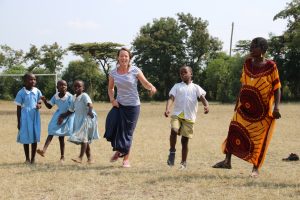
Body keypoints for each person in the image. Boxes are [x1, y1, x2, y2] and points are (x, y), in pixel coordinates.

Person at [212, 37, 281, 178]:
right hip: (244, 108)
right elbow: (243, 84)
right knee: (234, 128)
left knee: (259, 139)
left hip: (261, 112)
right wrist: (238, 102)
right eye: (251, 45)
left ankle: (255, 168)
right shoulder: (247, 63)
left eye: (254, 46)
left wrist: (276, 108)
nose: (251, 48)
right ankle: (227, 161)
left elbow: (277, 87)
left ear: (262, 49)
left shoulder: (271, 66)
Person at [104, 47, 157, 168]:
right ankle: (119, 150)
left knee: (128, 133)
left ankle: (125, 159)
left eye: (126, 56)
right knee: (112, 126)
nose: (123, 58)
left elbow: (145, 83)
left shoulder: (135, 70)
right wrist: (112, 100)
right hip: (119, 105)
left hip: (133, 106)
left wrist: (151, 87)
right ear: (118, 57)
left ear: (129, 58)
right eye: (121, 56)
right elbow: (110, 88)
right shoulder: (113, 72)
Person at [165, 65, 209, 169]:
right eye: (181, 73)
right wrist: (168, 108)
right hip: (177, 114)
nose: (183, 74)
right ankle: (172, 151)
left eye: (185, 72)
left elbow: (202, 98)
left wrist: (206, 106)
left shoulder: (196, 87)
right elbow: (171, 98)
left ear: (191, 74)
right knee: (174, 130)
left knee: (184, 141)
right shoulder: (177, 86)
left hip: (189, 117)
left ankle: (183, 163)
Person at [59, 80, 99, 164]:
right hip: (79, 120)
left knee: (83, 138)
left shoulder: (84, 95)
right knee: (84, 139)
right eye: (75, 86)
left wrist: (90, 112)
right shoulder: (74, 97)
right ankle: (90, 158)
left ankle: (80, 157)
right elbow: (71, 110)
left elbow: (90, 105)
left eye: (79, 86)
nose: (77, 88)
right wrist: (63, 115)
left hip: (87, 118)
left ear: (83, 88)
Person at [36, 80, 74, 162]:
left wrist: (63, 117)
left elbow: (73, 109)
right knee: (51, 130)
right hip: (59, 115)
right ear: (57, 87)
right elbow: (50, 106)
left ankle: (62, 157)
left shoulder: (70, 96)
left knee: (61, 137)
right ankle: (43, 151)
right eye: (61, 85)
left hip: (67, 115)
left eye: (65, 85)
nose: (63, 86)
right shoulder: (56, 96)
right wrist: (45, 100)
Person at [15, 73, 43, 164]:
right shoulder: (21, 92)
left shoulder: (37, 91)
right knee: (26, 137)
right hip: (25, 117)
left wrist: (39, 105)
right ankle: (27, 158)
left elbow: (39, 101)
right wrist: (19, 122)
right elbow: (18, 108)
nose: (33, 81)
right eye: (30, 79)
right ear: (25, 81)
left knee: (34, 137)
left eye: (34, 79)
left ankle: (33, 159)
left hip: (35, 116)